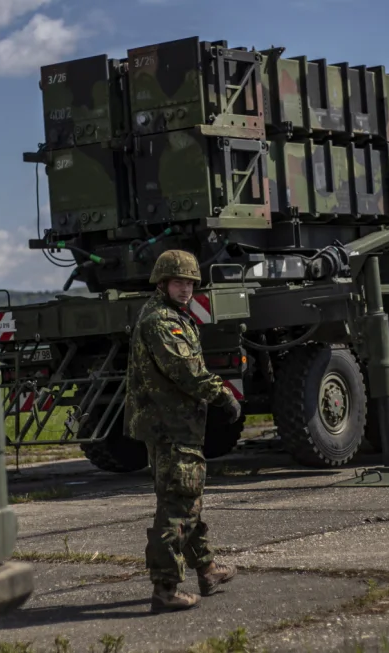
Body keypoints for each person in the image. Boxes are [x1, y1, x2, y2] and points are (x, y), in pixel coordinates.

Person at [124, 249, 242, 613]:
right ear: (162, 283)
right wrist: (222, 395)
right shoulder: (163, 321)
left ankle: (206, 569)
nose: (186, 288)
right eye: (179, 282)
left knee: (185, 500)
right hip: (171, 426)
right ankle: (165, 588)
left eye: (190, 283)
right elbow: (186, 370)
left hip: (172, 424)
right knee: (178, 506)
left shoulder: (171, 315)